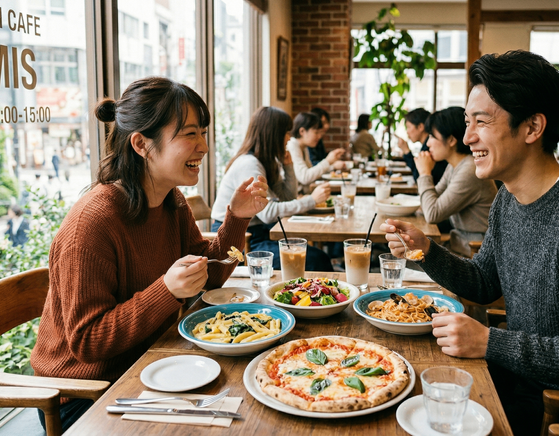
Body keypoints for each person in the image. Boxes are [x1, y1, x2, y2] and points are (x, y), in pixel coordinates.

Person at [381, 50, 559, 434]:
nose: (468, 137)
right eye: (468, 122)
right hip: (519, 382)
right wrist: (424, 250)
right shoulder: (509, 197)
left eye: (482, 122)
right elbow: (485, 284)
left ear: (533, 127)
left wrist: (491, 342)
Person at [31, 77, 268, 432]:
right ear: (142, 144)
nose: (203, 146)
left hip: (150, 367)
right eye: (190, 134)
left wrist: (238, 217)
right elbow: (86, 342)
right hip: (86, 395)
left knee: (250, 410)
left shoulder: (171, 201)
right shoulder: (92, 223)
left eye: (203, 132)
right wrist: (166, 290)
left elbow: (211, 277)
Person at [212, 107, 334, 271]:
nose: (289, 138)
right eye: (286, 132)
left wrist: (288, 166)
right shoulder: (249, 164)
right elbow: (267, 213)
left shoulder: (264, 162)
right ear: (273, 135)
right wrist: (311, 200)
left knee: (314, 256)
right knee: (316, 259)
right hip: (238, 240)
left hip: (257, 233)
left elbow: (287, 198)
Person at [414, 107, 497, 256]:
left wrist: (425, 173)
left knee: (403, 261)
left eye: (433, 136)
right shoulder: (455, 166)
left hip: (475, 253)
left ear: (451, 140)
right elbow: (431, 200)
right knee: (405, 256)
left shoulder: (470, 170)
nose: (428, 143)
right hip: (458, 246)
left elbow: (432, 214)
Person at [287, 112, 346, 193]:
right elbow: (305, 177)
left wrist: (331, 166)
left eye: (320, 133)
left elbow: (311, 172)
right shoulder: (292, 146)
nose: (319, 136)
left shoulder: (304, 147)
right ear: (302, 131)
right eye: (316, 132)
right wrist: (328, 161)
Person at [396, 108, 448, 183]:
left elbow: (418, 177)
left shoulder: (430, 148)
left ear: (420, 127)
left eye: (409, 127)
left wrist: (407, 151)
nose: (407, 132)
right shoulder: (426, 145)